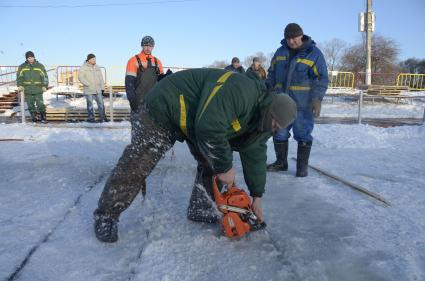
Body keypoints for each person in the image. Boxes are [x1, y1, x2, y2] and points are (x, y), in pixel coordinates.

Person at [93, 68, 297, 243]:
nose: (276, 130)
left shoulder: (264, 123)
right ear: (271, 111)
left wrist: (257, 196)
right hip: (165, 104)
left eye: (279, 128)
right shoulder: (241, 92)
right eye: (275, 124)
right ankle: (106, 216)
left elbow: (256, 155)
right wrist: (225, 166)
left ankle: (200, 207)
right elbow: (209, 129)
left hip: (193, 119)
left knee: (212, 161)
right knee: (140, 160)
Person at [266, 23, 328, 177]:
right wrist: (267, 91)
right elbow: (272, 74)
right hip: (280, 103)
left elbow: (321, 78)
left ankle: (302, 167)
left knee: (303, 134)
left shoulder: (314, 54)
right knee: (279, 133)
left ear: (301, 35)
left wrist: (317, 99)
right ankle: (281, 163)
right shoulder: (280, 52)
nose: (291, 41)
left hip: (303, 105)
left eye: (294, 38)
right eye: (288, 38)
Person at [125, 35, 164, 114]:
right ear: (142, 45)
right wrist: (132, 100)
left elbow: (161, 83)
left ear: (153, 47)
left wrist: (166, 77)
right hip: (138, 100)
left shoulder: (158, 62)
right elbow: (129, 83)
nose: (148, 48)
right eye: (146, 45)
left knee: (154, 125)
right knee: (138, 125)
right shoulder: (133, 60)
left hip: (154, 100)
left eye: (150, 46)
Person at [16, 51, 49, 123]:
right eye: (29, 58)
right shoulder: (22, 66)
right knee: (30, 105)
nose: (30, 59)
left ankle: (43, 117)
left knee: (40, 104)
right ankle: (34, 117)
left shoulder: (40, 66)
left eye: (32, 57)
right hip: (28, 89)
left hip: (38, 89)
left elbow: (45, 77)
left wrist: (44, 86)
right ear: (27, 58)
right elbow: (19, 77)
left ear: (34, 57)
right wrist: (20, 85)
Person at [78, 53, 108, 122]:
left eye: (95, 59)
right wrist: (87, 84)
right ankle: (91, 118)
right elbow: (80, 77)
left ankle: (103, 117)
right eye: (93, 59)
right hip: (89, 90)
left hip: (98, 89)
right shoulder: (83, 67)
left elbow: (101, 78)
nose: (95, 60)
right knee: (90, 105)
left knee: (101, 103)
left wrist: (102, 88)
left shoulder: (97, 67)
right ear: (89, 60)